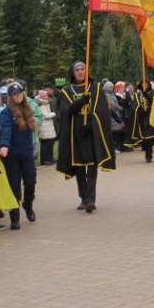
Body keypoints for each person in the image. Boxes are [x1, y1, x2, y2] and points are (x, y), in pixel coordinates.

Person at [56, 60, 115, 212]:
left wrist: (92, 124)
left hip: (92, 133)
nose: (81, 72)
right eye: (77, 70)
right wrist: (78, 103)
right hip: (75, 134)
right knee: (80, 168)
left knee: (92, 167)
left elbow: (103, 111)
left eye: (83, 69)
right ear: (73, 73)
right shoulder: (67, 91)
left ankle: (90, 200)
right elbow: (64, 112)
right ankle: (83, 197)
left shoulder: (95, 88)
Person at [0, 82, 37, 230]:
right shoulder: (6, 113)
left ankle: (28, 205)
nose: (18, 96)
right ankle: (15, 217)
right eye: (15, 94)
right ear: (11, 97)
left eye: (20, 93)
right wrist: (4, 145)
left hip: (26, 153)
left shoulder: (28, 109)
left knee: (31, 181)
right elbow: (5, 130)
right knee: (14, 187)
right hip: (12, 155)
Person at [127, 77, 154, 162]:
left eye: (146, 83)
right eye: (143, 83)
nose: (145, 85)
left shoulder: (152, 93)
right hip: (142, 119)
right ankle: (147, 153)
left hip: (150, 117)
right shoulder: (137, 95)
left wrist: (146, 95)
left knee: (150, 137)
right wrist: (139, 110)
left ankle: (149, 154)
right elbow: (134, 107)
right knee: (145, 138)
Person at [36, 90, 57, 165]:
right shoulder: (41, 104)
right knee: (46, 144)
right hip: (44, 127)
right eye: (45, 96)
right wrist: (54, 113)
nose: (47, 97)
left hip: (48, 127)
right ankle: (45, 159)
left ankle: (50, 158)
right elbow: (45, 115)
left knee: (50, 143)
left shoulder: (45, 103)